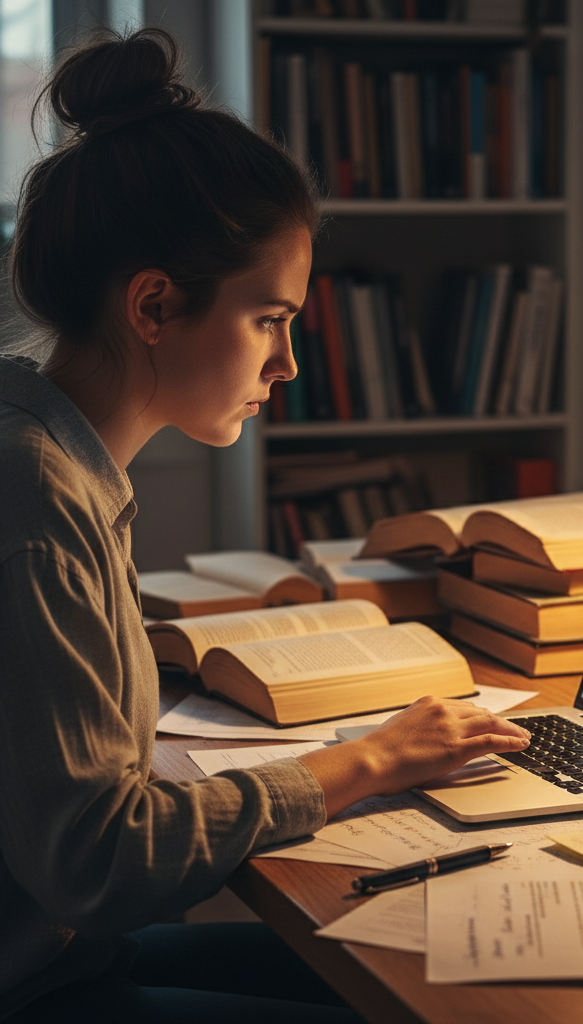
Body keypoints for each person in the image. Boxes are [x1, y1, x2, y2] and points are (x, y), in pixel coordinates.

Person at [0, 27, 530, 1023]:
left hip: (67, 954)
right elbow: (97, 862)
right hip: (32, 983)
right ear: (154, 304)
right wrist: (365, 759)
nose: (286, 365)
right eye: (271, 319)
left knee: (442, 967)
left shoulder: (55, 449)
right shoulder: (34, 492)